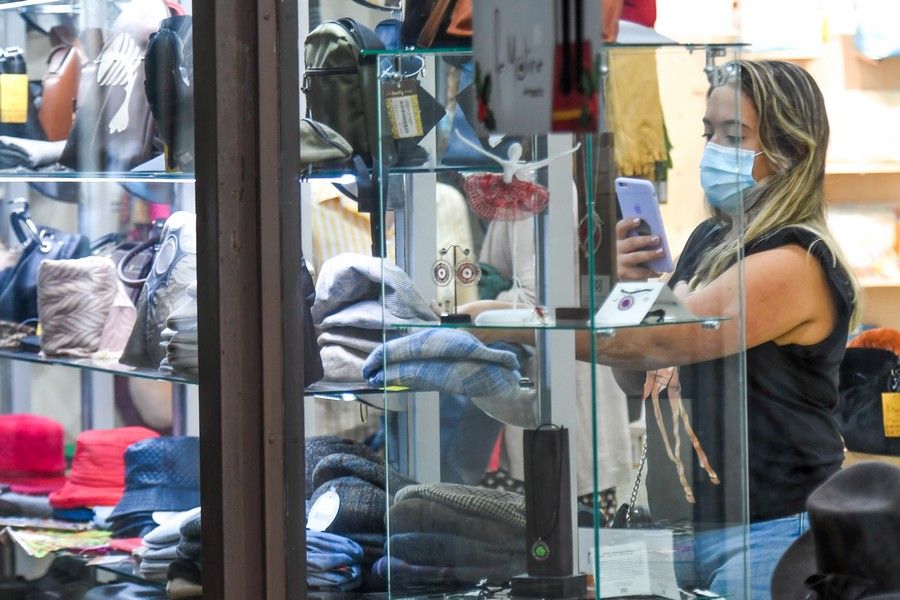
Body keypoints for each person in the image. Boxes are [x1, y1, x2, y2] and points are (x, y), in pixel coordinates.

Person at [461, 59, 859, 598]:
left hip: (771, 530)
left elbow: (667, 339)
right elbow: (640, 375)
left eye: (734, 135)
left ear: (791, 148)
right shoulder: (709, 242)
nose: (714, 148)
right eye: (709, 132)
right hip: (691, 530)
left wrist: (519, 323)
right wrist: (630, 294)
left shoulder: (795, 259)